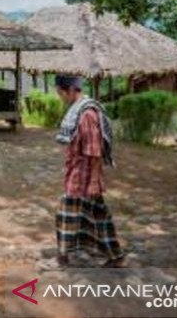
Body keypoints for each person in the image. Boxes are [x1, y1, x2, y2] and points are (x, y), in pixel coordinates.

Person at [53, 74, 124, 268]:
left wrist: (93, 181)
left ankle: (63, 256)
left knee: (66, 214)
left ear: (70, 90)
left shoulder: (87, 114)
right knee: (98, 215)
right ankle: (115, 256)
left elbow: (94, 151)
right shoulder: (80, 110)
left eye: (61, 93)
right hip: (78, 173)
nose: (61, 97)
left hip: (83, 177)